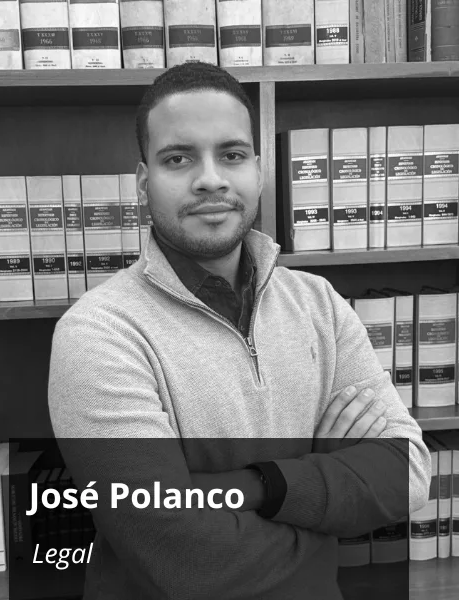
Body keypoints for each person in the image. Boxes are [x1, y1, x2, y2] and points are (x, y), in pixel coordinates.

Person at [48, 62, 431, 599]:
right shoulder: (98, 332)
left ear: (258, 169)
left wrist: (257, 485)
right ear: (143, 182)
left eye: (231, 154)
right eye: (178, 158)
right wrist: (322, 484)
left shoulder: (319, 303)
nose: (211, 178)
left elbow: (407, 473)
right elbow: (185, 560)